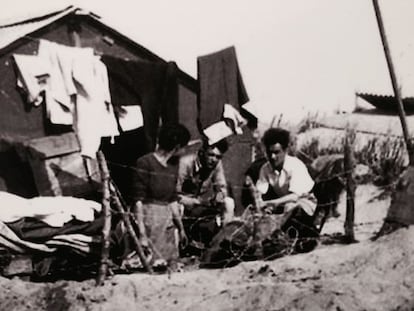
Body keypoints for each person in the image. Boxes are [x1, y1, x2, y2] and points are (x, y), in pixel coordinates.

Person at [129, 123, 190, 268]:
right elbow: (138, 200)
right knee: (149, 262)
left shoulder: (173, 166)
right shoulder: (145, 163)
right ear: (177, 146)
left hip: (166, 221)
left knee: (169, 264)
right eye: (184, 146)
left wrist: (181, 229)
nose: (185, 150)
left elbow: (172, 199)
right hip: (149, 219)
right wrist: (142, 233)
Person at [177, 137, 235, 247]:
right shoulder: (185, 163)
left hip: (201, 205)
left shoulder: (217, 164)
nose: (214, 160)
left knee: (228, 203)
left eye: (218, 157)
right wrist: (194, 202)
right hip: (184, 204)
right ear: (202, 152)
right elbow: (173, 195)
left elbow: (222, 189)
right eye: (211, 155)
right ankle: (180, 245)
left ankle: (224, 242)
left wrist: (218, 199)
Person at [256, 127, 316, 224]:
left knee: (290, 207)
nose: (272, 157)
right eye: (269, 153)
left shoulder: (295, 166)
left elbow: (295, 197)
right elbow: (260, 191)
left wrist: (272, 203)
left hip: (306, 204)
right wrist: (260, 202)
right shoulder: (265, 168)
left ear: (285, 150)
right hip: (283, 203)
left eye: (276, 152)